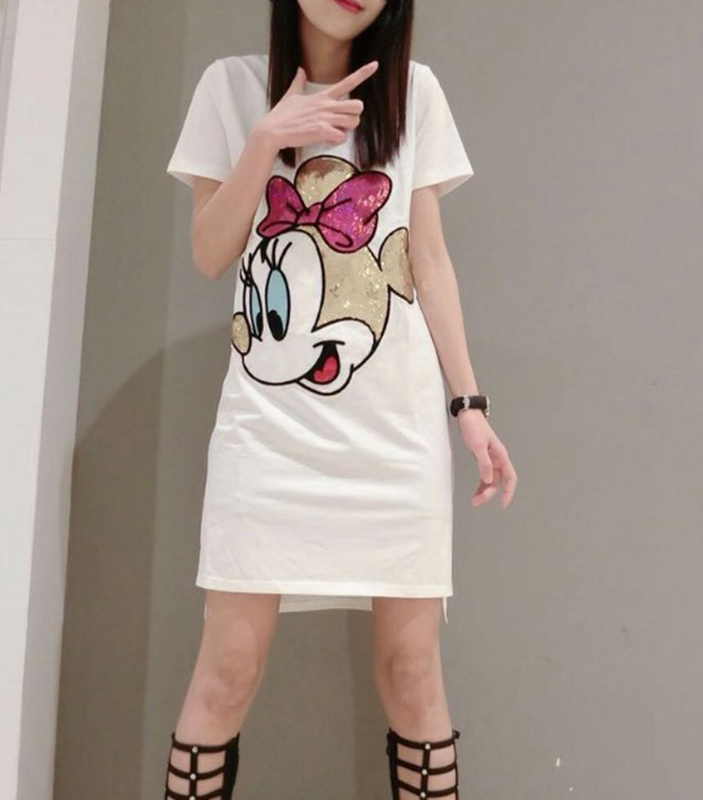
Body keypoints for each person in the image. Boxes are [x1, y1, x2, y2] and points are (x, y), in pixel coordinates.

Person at [163, 0, 518, 797]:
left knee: (412, 674)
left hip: (394, 437)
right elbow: (211, 253)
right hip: (268, 437)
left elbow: (429, 260)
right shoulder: (230, 88)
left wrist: (469, 405)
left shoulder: (415, 93)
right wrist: (266, 139)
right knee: (226, 671)